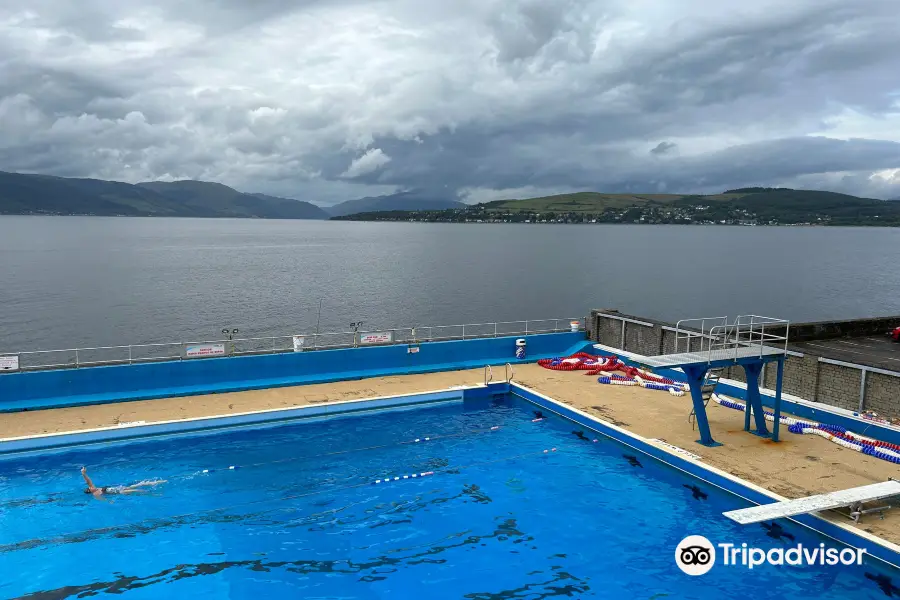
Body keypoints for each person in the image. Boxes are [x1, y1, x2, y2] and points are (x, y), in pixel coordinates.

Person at [81, 466, 166, 499]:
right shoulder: (96, 494)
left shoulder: (94, 487)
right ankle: (153, 494)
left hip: (120, 488)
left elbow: (88, 480)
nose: (92, 487)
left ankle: (158, 482)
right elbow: (103, 499)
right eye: (90, 489)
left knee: (140, 484)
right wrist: (110, 502)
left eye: (90, 487)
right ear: (91, 491)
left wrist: (83, 473)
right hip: (120, 492)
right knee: (136, 491)